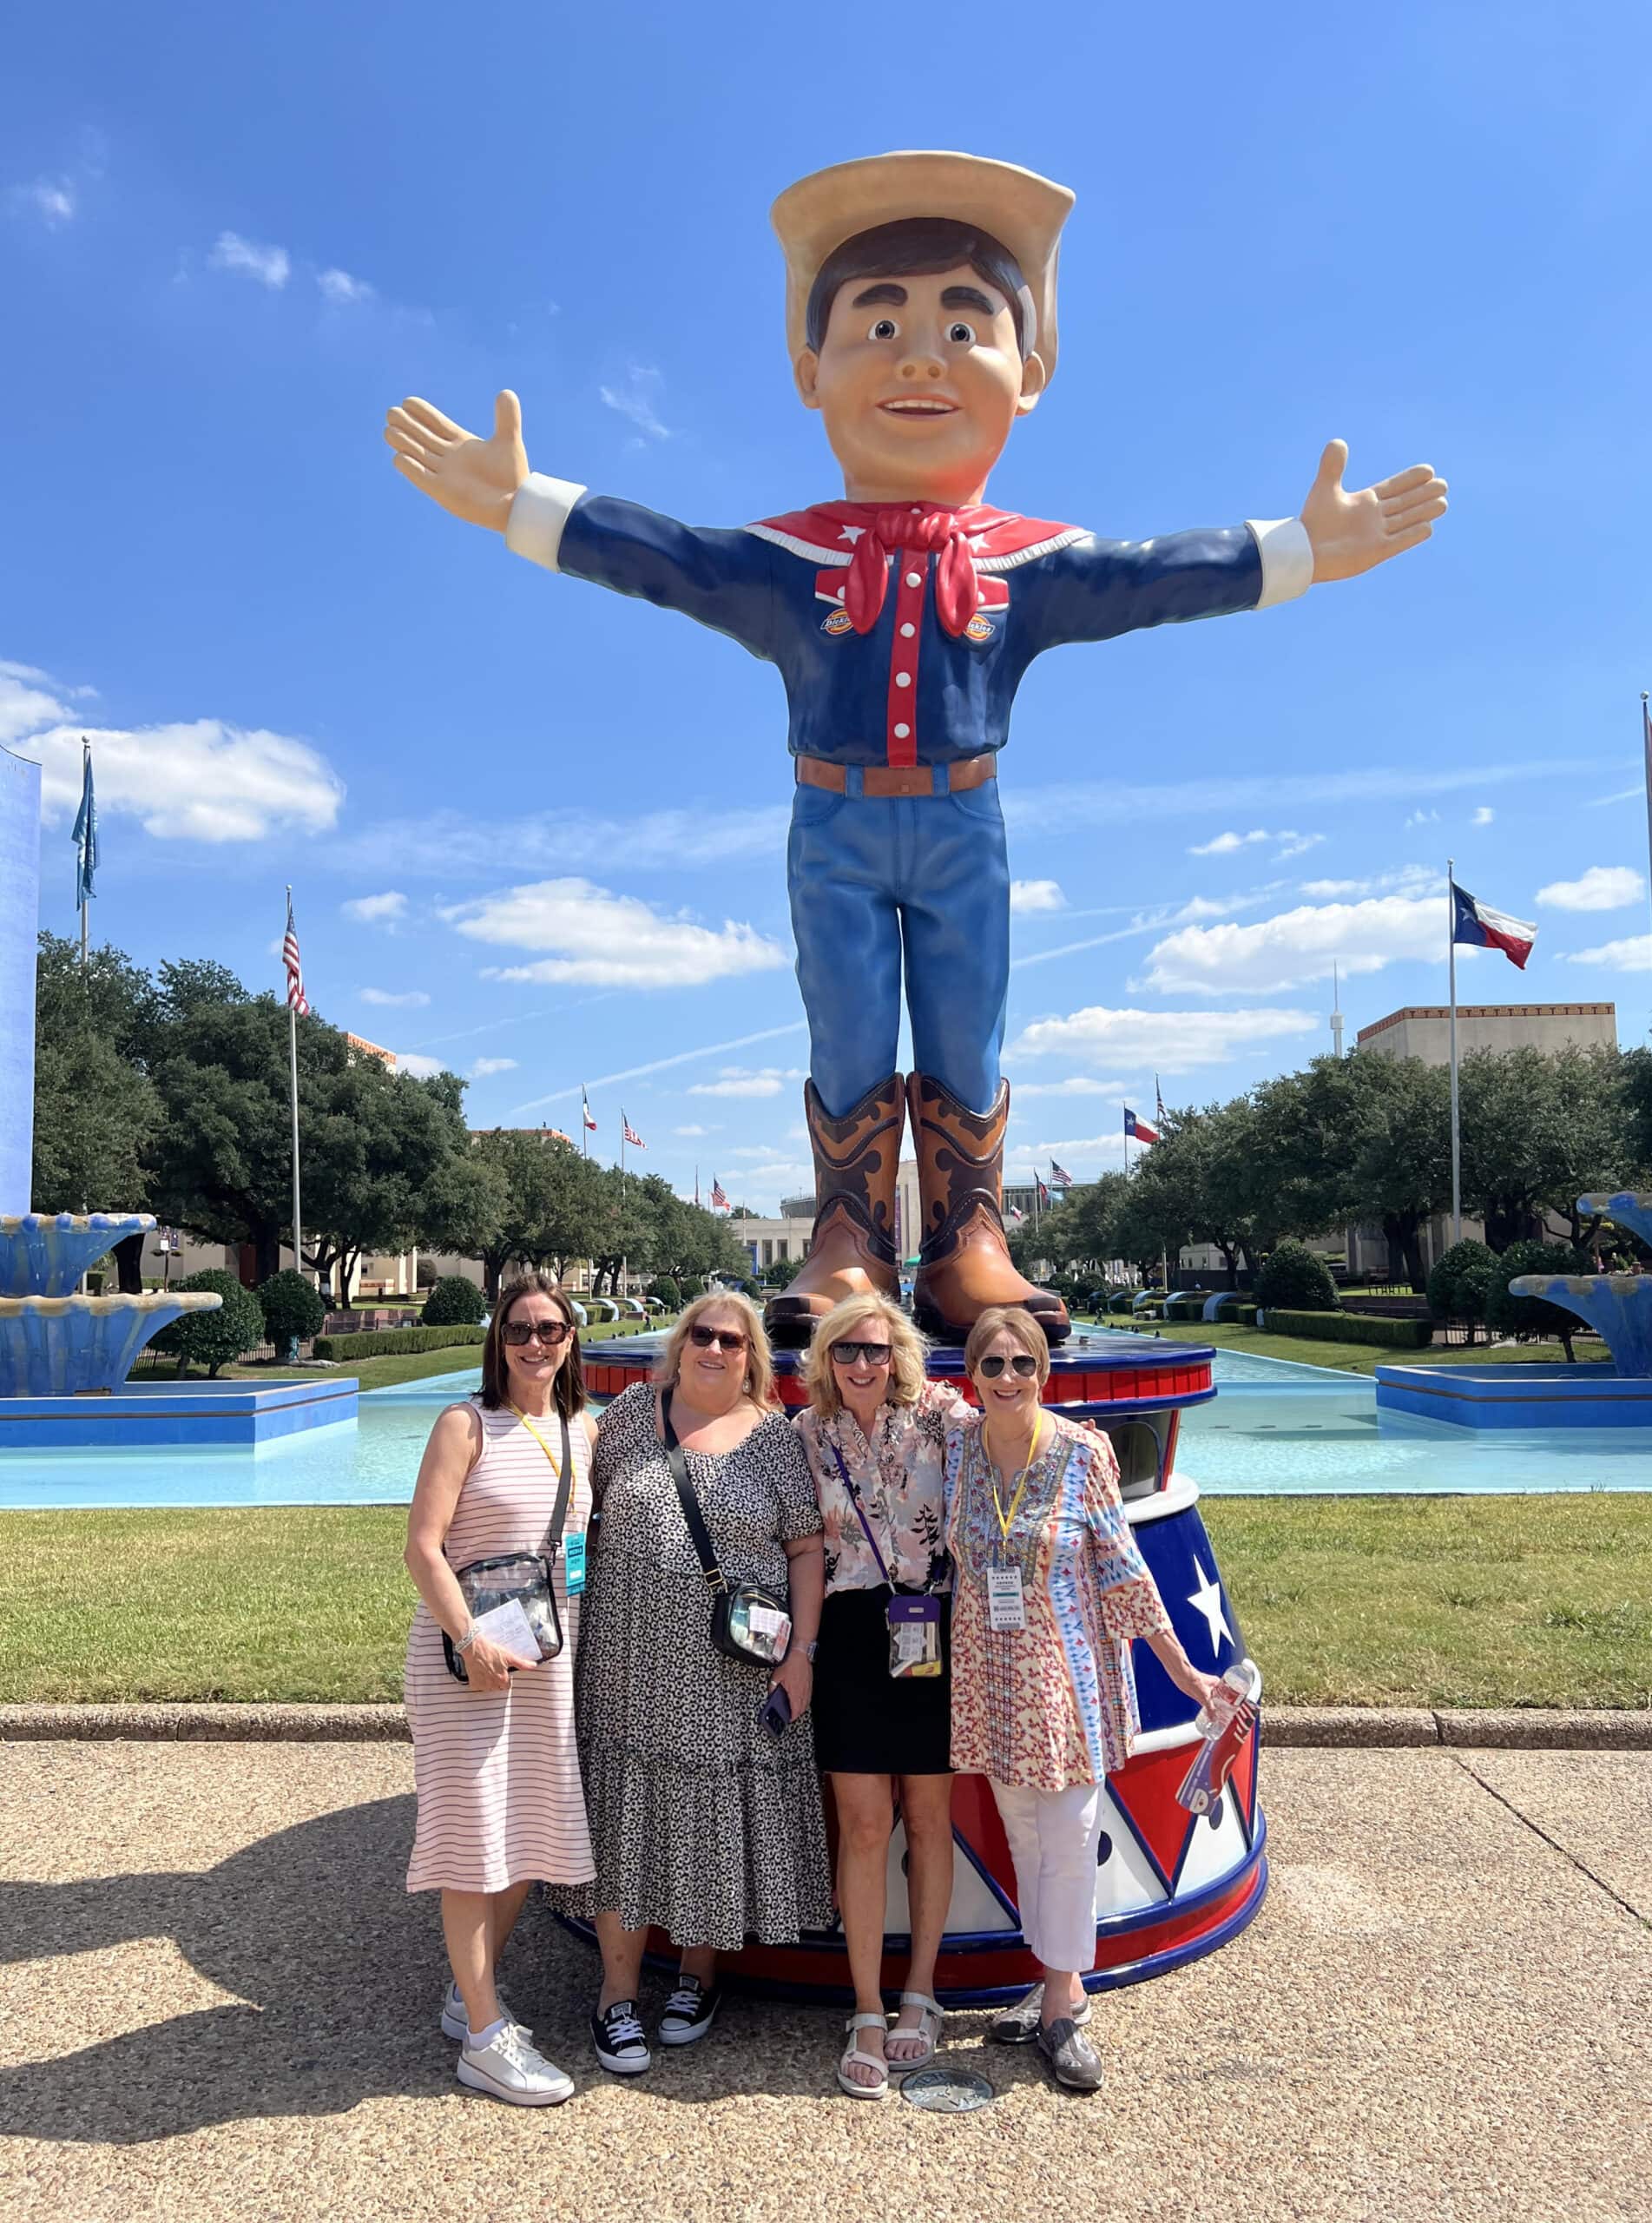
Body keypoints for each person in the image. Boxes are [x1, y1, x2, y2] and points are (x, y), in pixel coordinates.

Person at [385, 151, 1446, 1351]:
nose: (919, 356)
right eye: (877, 324)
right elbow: (669, 555)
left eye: (962, 324)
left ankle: (968, 1239)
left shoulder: (1031, 562)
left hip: (966, 825)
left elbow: (1154, 576)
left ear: (1028, 373)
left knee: (964, 1028)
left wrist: (1296, 547)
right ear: (810, 370)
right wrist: (527, 503)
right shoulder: (787, 560)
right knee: (844, 1026)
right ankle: (847, 1236)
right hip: (829, 827)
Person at [944, 1305, 1226, 2094]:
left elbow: (1121, 1568)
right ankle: (1052, 1979)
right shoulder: (960, 1446)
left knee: (1068, 1839)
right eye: (992, 1364)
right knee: (1025, 1837)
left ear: (1043, 1371)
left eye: (1022, 1364)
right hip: (990, 1677)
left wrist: (1181, 1671)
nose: (1007, 1378)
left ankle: (1066, 2004)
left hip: (1064, 1676)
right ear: (971, 1373)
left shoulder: (1078, 1452)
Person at [561, 1293, 829, 2075]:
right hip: (628, 1665)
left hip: (734, 1674)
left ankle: (697, 1977)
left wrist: (802, 1653)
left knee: (712, 1817)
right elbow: (583, 1520)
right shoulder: (628, 1418)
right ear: (680, 1345)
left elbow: (806, 1550)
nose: (715, 1348)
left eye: (732, 1339)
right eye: (702, 1334)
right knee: (626, 1822)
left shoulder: (776, 1440)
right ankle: (615, 1997)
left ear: (752, 1356)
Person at [403, 1272, 596, 2107]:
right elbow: (421, 1547)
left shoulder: (581, 1427)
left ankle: (466, 1990)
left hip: (548, 1658)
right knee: (471, 1833)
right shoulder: (464, 1423)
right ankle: (485, 2035)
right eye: (519, 1328)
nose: (534, 1343)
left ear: (569, 1341)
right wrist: (468, 1637)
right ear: (497, 1337)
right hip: (468, 1662)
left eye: (550, 1329)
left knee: (530, 1829)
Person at [794, 1292, 975, 2098]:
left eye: (875, 1350)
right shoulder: (805, 1434)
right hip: (851, 1637)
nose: (862, 1365)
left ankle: (920, 1992)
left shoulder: (942, 1417)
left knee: (929, 1819)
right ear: (826, 1359)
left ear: (898, 1353)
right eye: (846, 1351)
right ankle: (865, 2005)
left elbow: (1015, 1428)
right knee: (865, 1824)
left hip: (929, 1630)